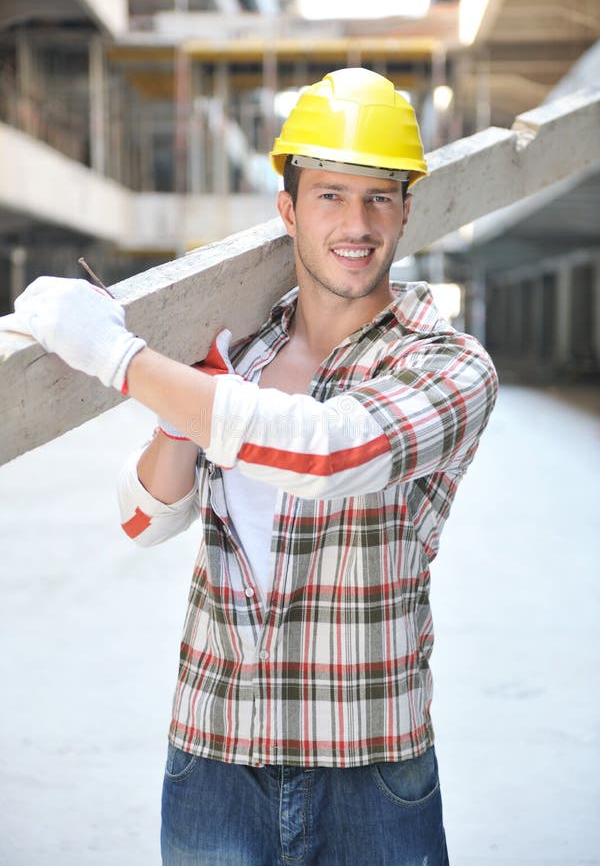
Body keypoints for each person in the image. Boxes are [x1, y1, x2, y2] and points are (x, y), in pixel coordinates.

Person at [1, 68, 498, 865]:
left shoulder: (447, 364)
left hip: (368, 766)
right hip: (213, 757)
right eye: (331, 194)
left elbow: (328, 451)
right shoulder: (249, 356)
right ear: (289, 208)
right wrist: (179, 416)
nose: (356, 222)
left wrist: (118, 357)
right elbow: (142, 519)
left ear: (408, 209)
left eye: (379, 196)